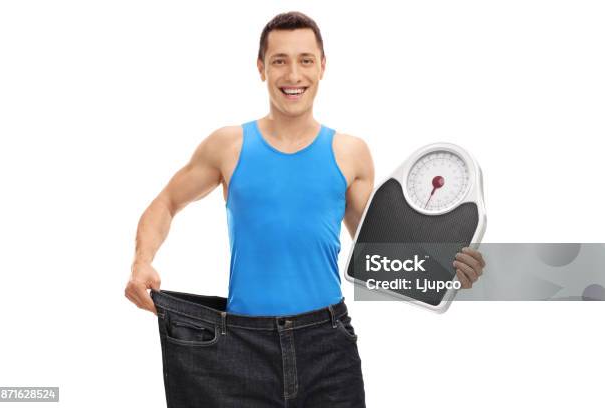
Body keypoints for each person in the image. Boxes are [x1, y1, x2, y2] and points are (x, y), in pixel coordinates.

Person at [125, 11, 486, 407]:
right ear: (261, 67)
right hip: (241, 343)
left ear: (322, 66)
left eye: (306, 60)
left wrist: (446, 275)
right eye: (280, 60)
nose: (293, 74)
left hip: (327, 347)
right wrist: (142, 262)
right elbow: (166, 203)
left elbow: (381, 258)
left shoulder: (350, 153)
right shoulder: (228, 146)